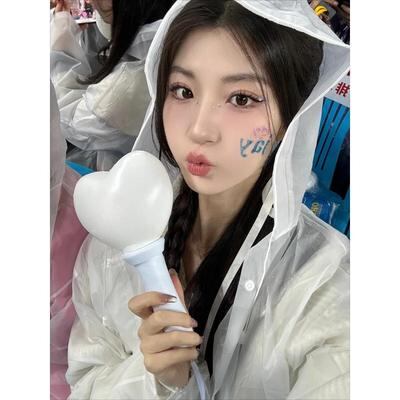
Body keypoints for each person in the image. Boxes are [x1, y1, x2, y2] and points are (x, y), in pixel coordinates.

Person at [66, 1, 350, 399]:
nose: (199, 129)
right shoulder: (115, 245)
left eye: (242, 99)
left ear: (289, 116)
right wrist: (159, 381)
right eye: (183, 91)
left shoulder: (326, 290)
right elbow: (85, 381)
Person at [50, 0, 175, 171]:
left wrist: (61, 37)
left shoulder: (129, 86)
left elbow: (67, 118)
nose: (88, 1)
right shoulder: (173, 29)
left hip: (127, 175)